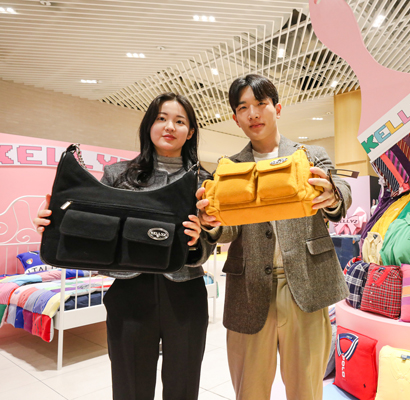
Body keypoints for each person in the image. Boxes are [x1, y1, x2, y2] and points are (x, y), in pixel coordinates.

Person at [34, 92, 214, 400]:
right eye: (161, 118)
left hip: (186, 293)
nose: (169, 126)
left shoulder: (204, 182)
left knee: (183, 387)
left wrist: (200, 238)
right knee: (130, 387)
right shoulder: (117, 175)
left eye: (180, 121)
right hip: (129, 293)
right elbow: (94, 226)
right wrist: (53, 224)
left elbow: (212, 240)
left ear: (190, 132)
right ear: (149, 125)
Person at [196, 74, 352, 400]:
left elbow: (341, 190)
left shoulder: (310, 155)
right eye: (243, 108)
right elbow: (228, 228)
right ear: (235, 118)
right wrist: (210, 223)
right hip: (249, 289)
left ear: (277, 108)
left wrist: (333, 194)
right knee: (250, 391)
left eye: (260, 104)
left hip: (306, 286)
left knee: (307, 391)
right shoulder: (229, 168)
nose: (253, 114)